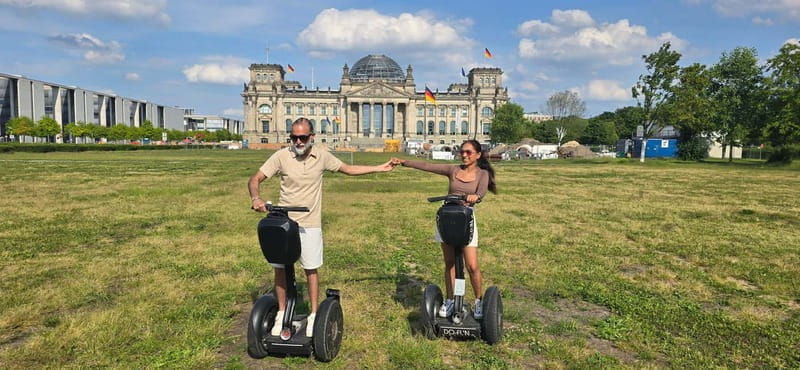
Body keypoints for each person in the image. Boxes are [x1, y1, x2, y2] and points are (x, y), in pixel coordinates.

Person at [249, 117, 395, 336]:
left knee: (310, 268)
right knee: (279, 268)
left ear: (312, 137)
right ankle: (280, 312)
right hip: (283, 223)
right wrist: (256, 198)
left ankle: (314, 314)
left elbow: (348, 169)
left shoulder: (322, 156)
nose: (298, 141)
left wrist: (379, 168)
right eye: (294, 137)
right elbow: (255, 179)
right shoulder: (281, 156)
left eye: (302, 137)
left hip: (309, 223)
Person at [391, 139, 497, 319]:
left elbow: (480, 193)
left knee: (471, 265)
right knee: (449, 264)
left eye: (468, 152)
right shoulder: (452, 170)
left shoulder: (482, 174)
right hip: (447, 219)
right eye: (462, 151)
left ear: (478, 155)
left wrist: (475, 197)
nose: (464, 155)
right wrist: (404, 162)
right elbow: (427, 165)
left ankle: (479, 301)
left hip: (466, 221)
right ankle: (449, 300)